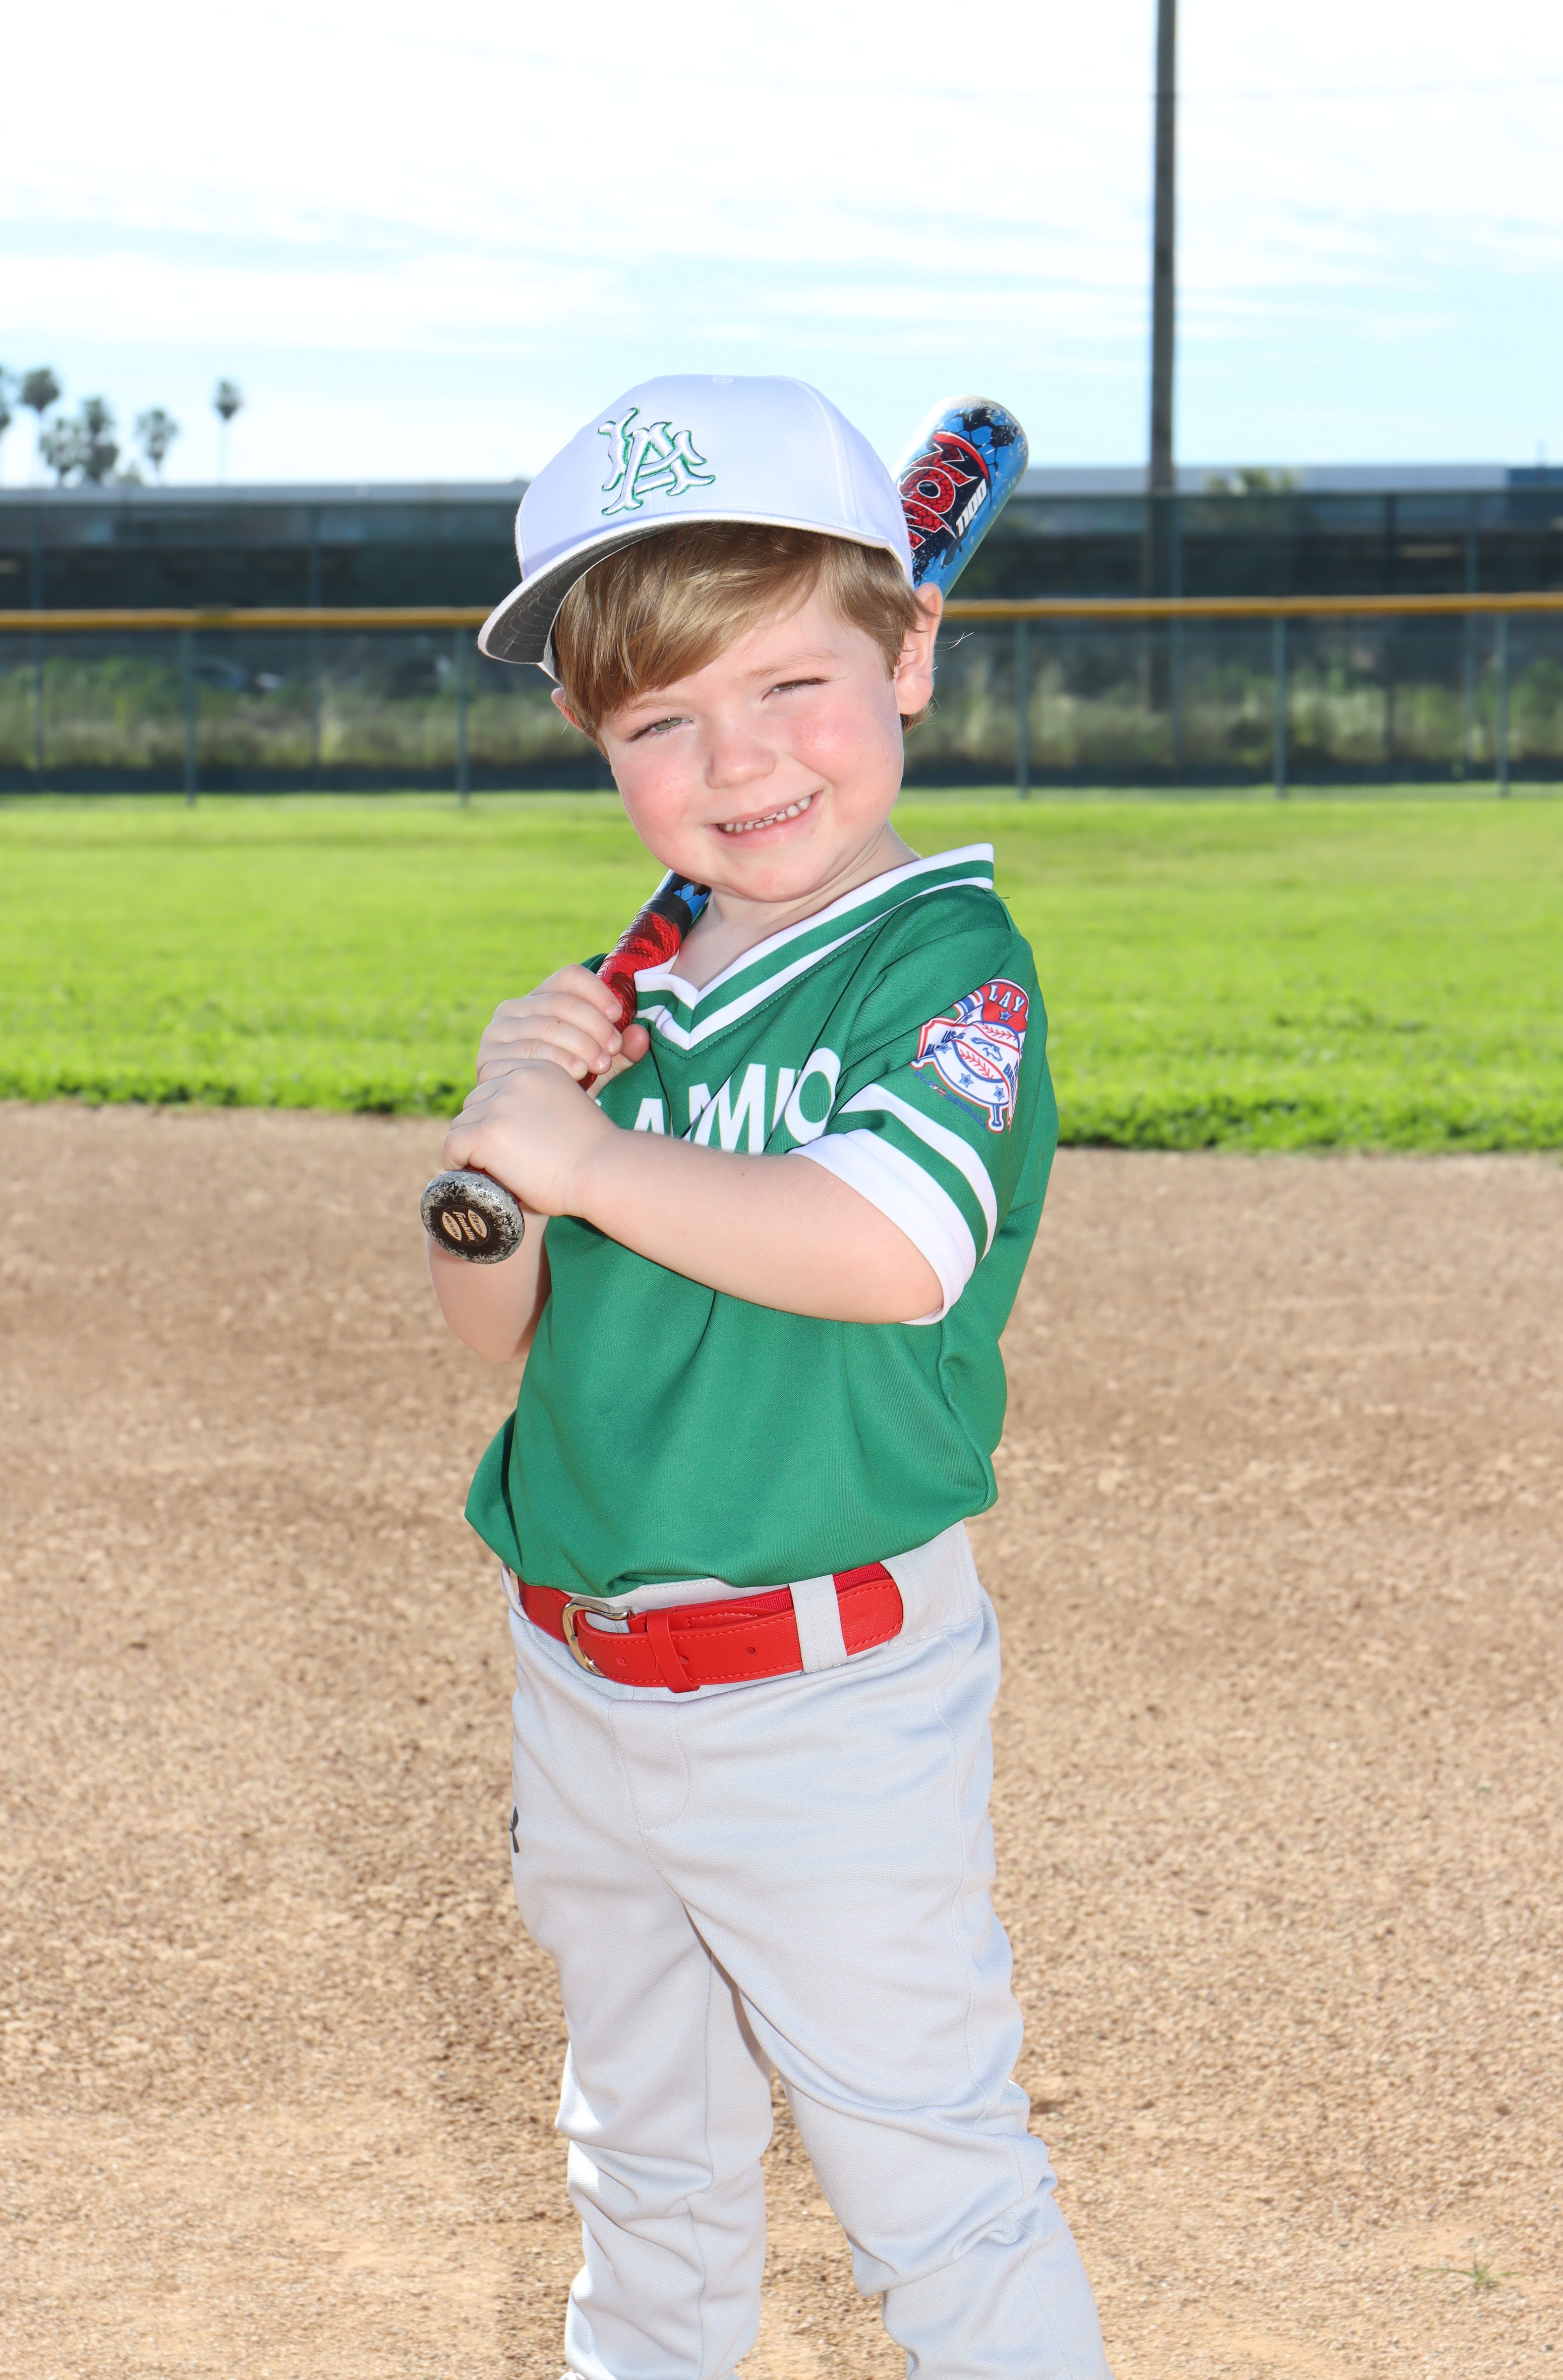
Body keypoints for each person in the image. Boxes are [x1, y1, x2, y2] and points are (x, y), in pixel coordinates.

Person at [428, 375, 1111, 2380]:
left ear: (910, 656)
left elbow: (886, 1249)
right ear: (597, 740)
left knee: (931, 2185)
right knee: (643, 2162)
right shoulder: (645, 1012)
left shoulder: (942, 965)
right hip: (584, 1674)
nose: (735, 762)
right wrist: (501, 1170)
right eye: (660, 721)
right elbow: (507, 1344)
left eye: (792, 685)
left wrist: (589, 1161)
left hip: (823, 1702)